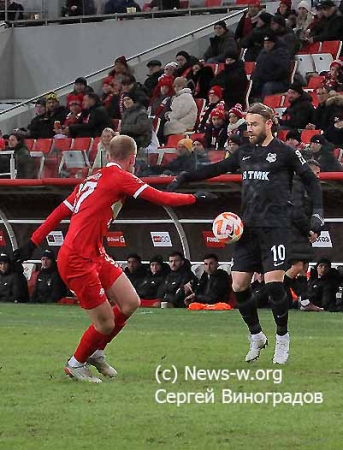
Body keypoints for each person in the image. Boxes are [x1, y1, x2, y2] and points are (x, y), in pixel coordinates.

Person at [13, 135, 214, 382]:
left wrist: (32, 242)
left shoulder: (91, 179)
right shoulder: (120, 177)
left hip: (95, 252)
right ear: (133, 158)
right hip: (77, 258)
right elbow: (161, 198)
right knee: (105, 323)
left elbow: (59, 212)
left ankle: (96, 351)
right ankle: (75, 363)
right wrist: (195, 198)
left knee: (130, 302)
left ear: (108, 155)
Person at [168, 103, 323, 364]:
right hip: (247, 228)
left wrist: (317, 214)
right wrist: (184, 176)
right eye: (247, 124)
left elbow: (311, 180)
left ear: (269, 124)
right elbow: (215, 169)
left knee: (274, 284)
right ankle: (256, 336)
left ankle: (282, 338)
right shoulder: (245, 153)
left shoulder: (285, 153)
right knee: (239, 285)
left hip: (275, 227)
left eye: (253, 124)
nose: (248, 129)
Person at [283, 159, 324, 312]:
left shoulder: (310, 188)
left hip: (303, 230)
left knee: (303, 267)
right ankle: (276, 294)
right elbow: (295, 211)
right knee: (297, 266)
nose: (318, 177)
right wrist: (308, 231)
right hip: (293, 230)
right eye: (316, 173)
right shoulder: (296, 185)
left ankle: (305, 301)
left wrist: (316, 230)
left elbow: (315, 212)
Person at [251, 31, 291, 99]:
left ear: (274, 43)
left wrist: (267, 78)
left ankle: (265, 106)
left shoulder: (282, 53)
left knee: (268, 87)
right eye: (265, 43)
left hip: (279, 82)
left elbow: (282, 71)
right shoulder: (262, 53)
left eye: (269, 43)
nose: (267, 45)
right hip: (263, 80)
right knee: (249, 85)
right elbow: (258, 68)